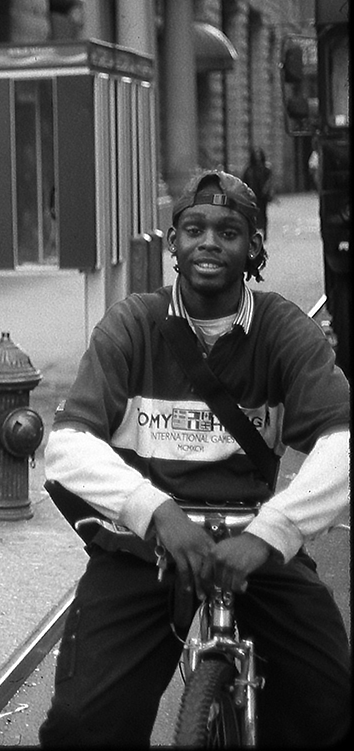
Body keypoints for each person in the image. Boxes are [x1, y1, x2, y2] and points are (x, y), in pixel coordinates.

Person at [38, 169, 350, 746]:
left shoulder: (283, 330)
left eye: (229, 231)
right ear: (173, 244)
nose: (209, 241)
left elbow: (345, 441)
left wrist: (270, 533)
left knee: (326, 702)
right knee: (83, 725)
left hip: (253, 546)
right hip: (146, 551)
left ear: (254, 246)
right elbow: (66, 446)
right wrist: (156, 512)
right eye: (193, 229)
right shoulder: (132, 324)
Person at [240, 146, 274, 238]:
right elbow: (244, 181)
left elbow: (269, 181)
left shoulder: (266, 168)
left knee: (263, 212)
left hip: (262, 195)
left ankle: (264, 230)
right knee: (253, 213)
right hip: (252, 194)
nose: (258, 156)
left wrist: (268, 191)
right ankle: (254, 230)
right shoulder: (249, 169)